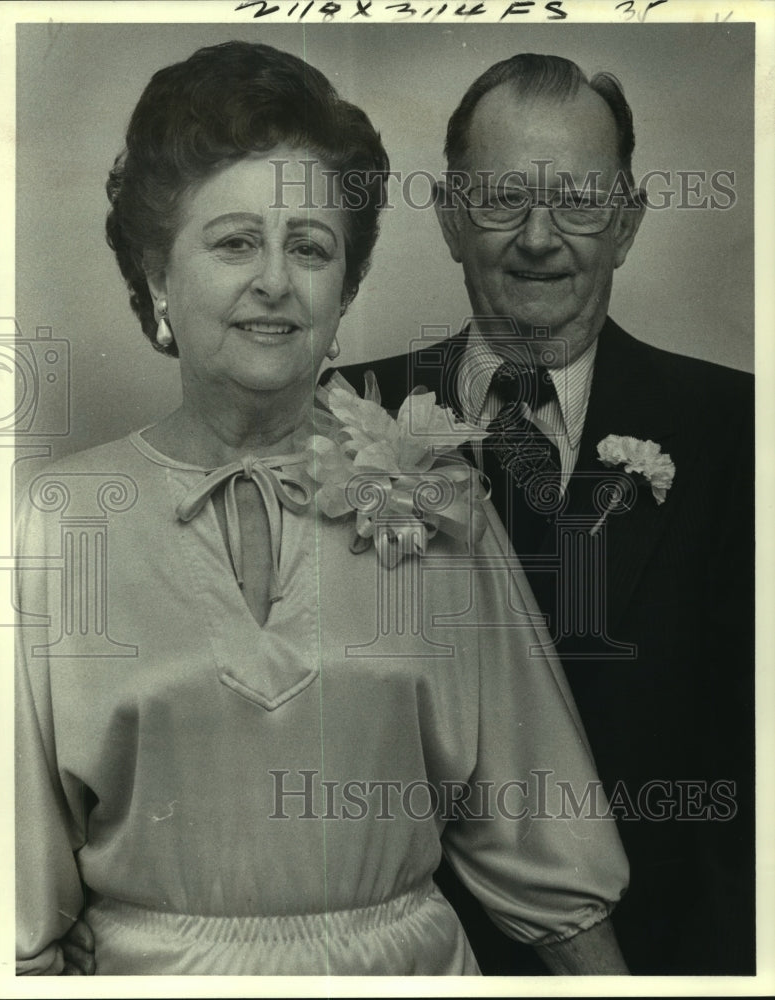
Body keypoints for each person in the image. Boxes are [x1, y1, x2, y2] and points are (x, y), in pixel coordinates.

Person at [15, 41, 631, 976]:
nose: (274, 281)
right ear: (156, 278)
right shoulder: (55, 522)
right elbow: (13, 894)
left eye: (309, 247)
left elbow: (544, 836)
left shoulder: (436, 496)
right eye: (233, 242)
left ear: (343, 290)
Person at [336, 53, 755, 975]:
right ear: (448, 217)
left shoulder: (741, 435)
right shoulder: (334, 418)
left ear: (628, 222)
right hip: (395, 962)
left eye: (577, 201)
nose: (538, 237)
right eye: (498, 200)